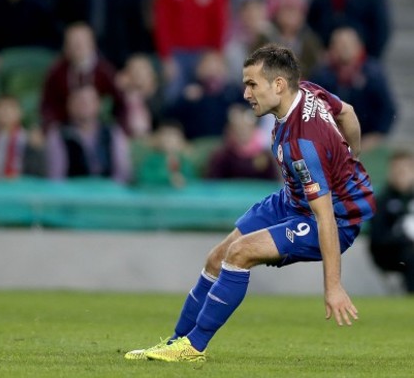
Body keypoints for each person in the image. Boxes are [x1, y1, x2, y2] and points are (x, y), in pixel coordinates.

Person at [124, 44, 375, 363]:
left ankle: (194, 347)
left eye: (252, 84)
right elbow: (348, 112)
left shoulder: (303, 143)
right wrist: (352, 157)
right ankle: (176, 342)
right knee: (216, 258)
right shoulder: (308, 90)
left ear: (279, 85)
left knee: (239, 253)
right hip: (291, 199)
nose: (245, 93)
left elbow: (324, 217)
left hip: (331, 220)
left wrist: (334, 286)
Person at [309, 27, 396, 152]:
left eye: (348, 44)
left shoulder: (373, 74)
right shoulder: (322, 75)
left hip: (368, 141)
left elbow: (388, 110)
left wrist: (375, 136)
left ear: (359, 46)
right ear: (331, 48)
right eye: (339, 44)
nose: (344, 48)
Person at [45, 85, 131, 183]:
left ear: (98, 105)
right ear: (69, 105)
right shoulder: (58, 134)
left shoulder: (113, 132)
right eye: (79, 101)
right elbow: (56, 176)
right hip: (73, 193)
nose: (84, 105)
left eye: (88, 101)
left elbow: (122, 172)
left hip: (108, 193)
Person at [369, 149, 414, 293]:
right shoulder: (382, 201)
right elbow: (378, 237)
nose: (400, 174)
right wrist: (405, 239)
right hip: (390, 254)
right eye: (396, 169)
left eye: (405, 169)